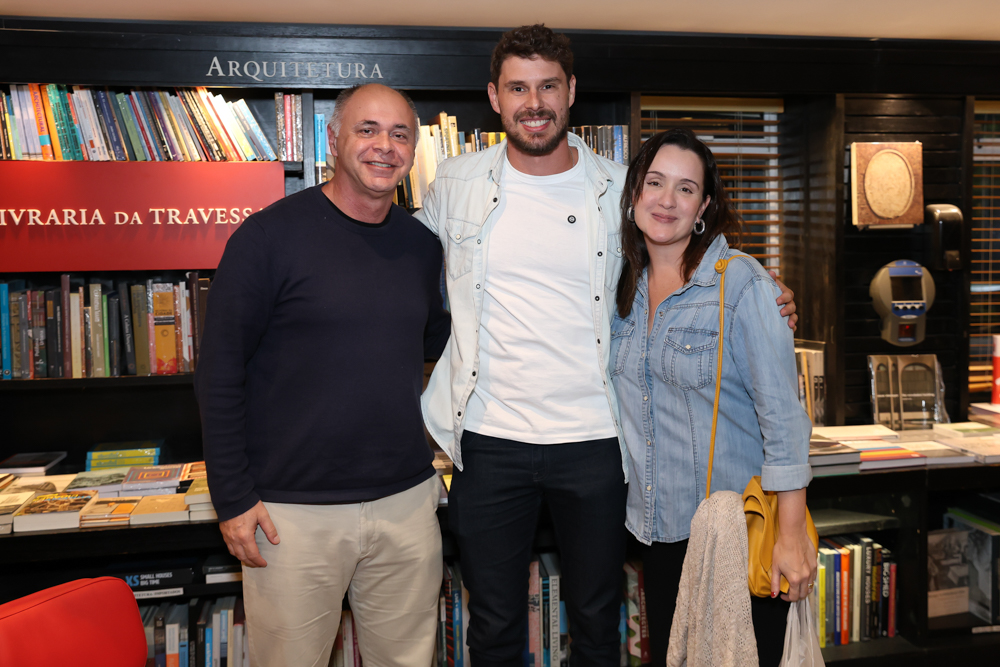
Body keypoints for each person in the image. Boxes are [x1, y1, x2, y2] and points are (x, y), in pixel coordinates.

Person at [417, 25, 798, 666]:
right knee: (493, 623)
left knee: (600, 623)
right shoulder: (454, 183)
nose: (532, 102)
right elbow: (403, 268)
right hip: (485, 439)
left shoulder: (621, 188)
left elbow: (683, 256)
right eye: (517, 87)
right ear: (494, 96)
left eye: (547, 86)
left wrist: (766, 291)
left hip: (595, 442)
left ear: (571, 92)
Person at [195, 83, 450, 667]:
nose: (384, 146)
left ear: (412, 150)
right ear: (333, 140)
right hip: (290, 517)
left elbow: (435, 342)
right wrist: (232, 498)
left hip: (406, 505)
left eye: (400, 134)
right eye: (367, 130)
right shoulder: (266, 239)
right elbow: (219, 373)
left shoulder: (421, 247)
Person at [610, 128, 816, 667]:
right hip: (656, 532)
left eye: (685, 189)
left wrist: (790, 536)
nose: (666, 200)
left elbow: (783, 418)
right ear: (633, 193)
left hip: (735, 533)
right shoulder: (618, 291)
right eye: (654, 182)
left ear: (703, 206)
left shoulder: (742, 283)